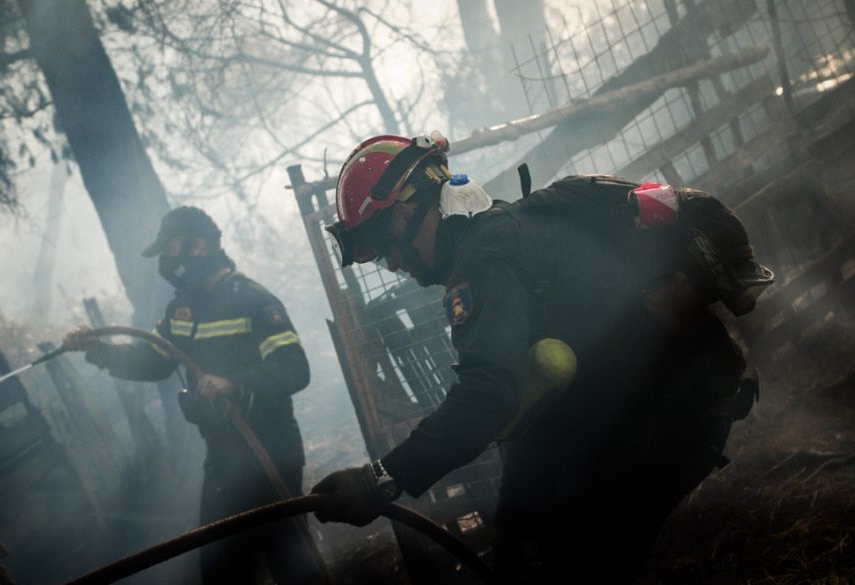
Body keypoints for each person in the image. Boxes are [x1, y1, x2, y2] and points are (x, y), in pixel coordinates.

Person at [311, 132, 771, 583]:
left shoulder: (484, 259)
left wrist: (382, 479)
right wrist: (515, 531)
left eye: (382, 251)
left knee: (574, 566)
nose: (392, 265)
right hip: (658, 402)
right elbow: (536, 415)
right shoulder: (505, 229)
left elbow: (487, 396)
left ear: (403, 215)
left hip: (670, 413)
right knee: (544, 553)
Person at [63, 206, 324, 585]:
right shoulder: (183, 310)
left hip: (269, 453)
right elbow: (152, 361)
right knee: (221, 570)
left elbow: (295, 368)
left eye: (170, 249)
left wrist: (234, 383)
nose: (167, 262)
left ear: (199, 246)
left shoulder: (253, 300)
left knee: (293, 567)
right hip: (222, 459)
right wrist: (97, 350)